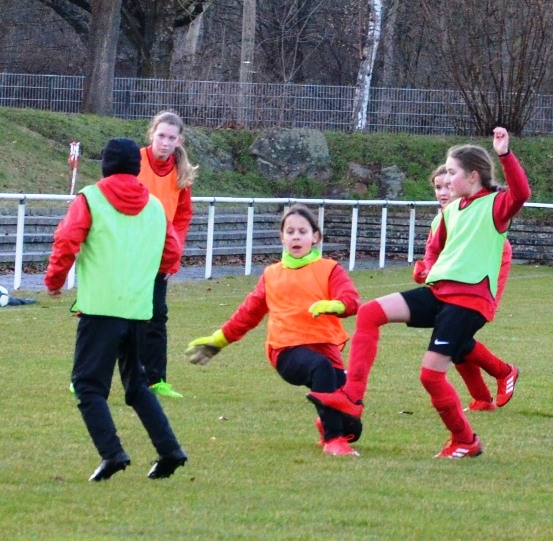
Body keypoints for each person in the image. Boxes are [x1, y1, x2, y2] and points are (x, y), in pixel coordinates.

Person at [308, 127, 530, 458]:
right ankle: (352, 397)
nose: (446, 180)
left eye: (452, 172)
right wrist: (426, 268)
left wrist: (505, 154)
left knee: (430, 376)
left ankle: (465, 441)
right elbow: (436, 252)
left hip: (468, 302)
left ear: (473, 176)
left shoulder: (495, 205)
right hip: (440, 294)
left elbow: (521, 193)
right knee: (370, 312)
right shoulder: (451, 211)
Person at [45, 137, 189, 481]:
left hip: (100, 308)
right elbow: (171, 252)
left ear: (105, 166)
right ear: (137, 168)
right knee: (137, 384)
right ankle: (170, 451)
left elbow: (67, 239)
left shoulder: (90, 198)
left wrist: (54, 280)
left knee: (88, 386)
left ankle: (112, 454)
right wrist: (147, 275)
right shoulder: (154, 205)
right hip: (138, 308)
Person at [184, 204, 363, 456]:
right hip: (285, 352)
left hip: (325, 349)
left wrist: (337, 305)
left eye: (302, 231)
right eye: (290, 232)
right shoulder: (272, 275)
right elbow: (248, 314)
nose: (296, 237)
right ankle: (333, 442)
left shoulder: (330, 269)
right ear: (282, 238)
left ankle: (328, 424)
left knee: (353, 424)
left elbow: (351, 300)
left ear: (315, 237)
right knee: (321, 368)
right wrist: (219, 340)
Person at [414, 164, 518, 412]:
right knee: (453, 335)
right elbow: (435, 254)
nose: (443, 192)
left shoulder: (475, 211)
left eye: (448, 186)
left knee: (455, 333)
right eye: (438, 187)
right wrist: (424, 270)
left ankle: (503, 372)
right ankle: (482, 398)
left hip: (484, 275)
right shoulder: (442, 218)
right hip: (455, 284)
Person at [137, 110, 198, 399]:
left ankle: (156, 379)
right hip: (130, 251)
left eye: (171, 138)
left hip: (159, 255)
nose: (165, 142)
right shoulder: (135, 161)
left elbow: (183, 215)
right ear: (152, 134)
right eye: (161, 135)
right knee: (117, 316)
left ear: (179, 141)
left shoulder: (181, 171)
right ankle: (89, 377)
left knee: (157, 314)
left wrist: (175, 250)